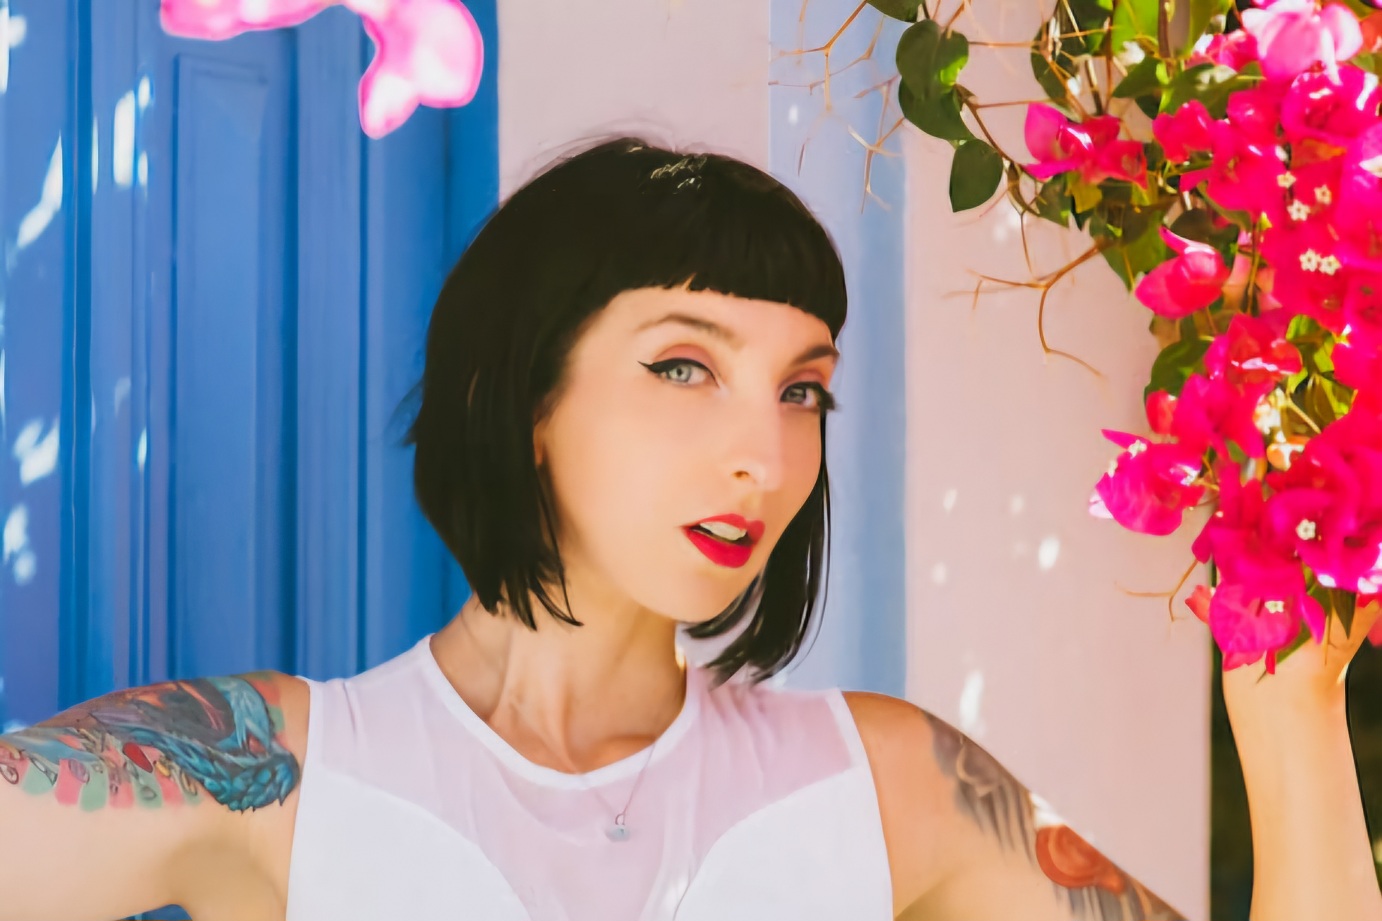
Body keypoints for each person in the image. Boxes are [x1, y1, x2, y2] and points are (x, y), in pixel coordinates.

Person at [0, 137, 1377, 921]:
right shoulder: (270, 771)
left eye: (801, 390)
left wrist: (1293, 716)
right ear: (518, 398)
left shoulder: (892, 781)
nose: (763, 453)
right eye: (682, 365)